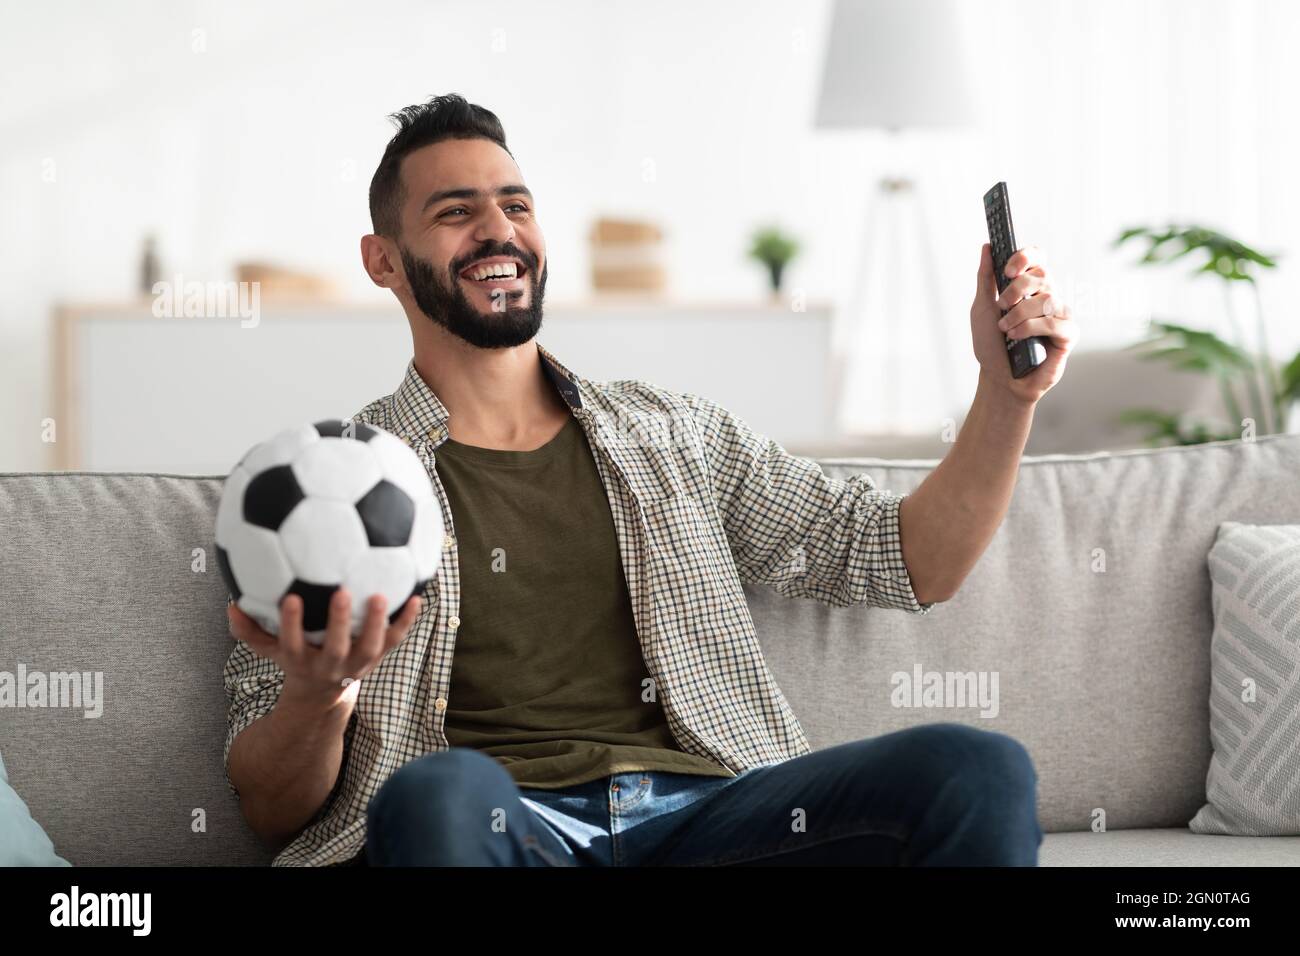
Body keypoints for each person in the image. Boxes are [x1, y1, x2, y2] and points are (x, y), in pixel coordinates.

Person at [223, 94, 1079, 867]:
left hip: (713, 818)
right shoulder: (322, 491)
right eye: (455, 212)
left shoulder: (672, 433)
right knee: (440, 795)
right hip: (502, 833)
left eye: (516, 205)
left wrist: (1006, 395)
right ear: (383, 260)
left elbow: (902, 559)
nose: (498, 230)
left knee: (977, 767)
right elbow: (271, 810)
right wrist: (322, 691)